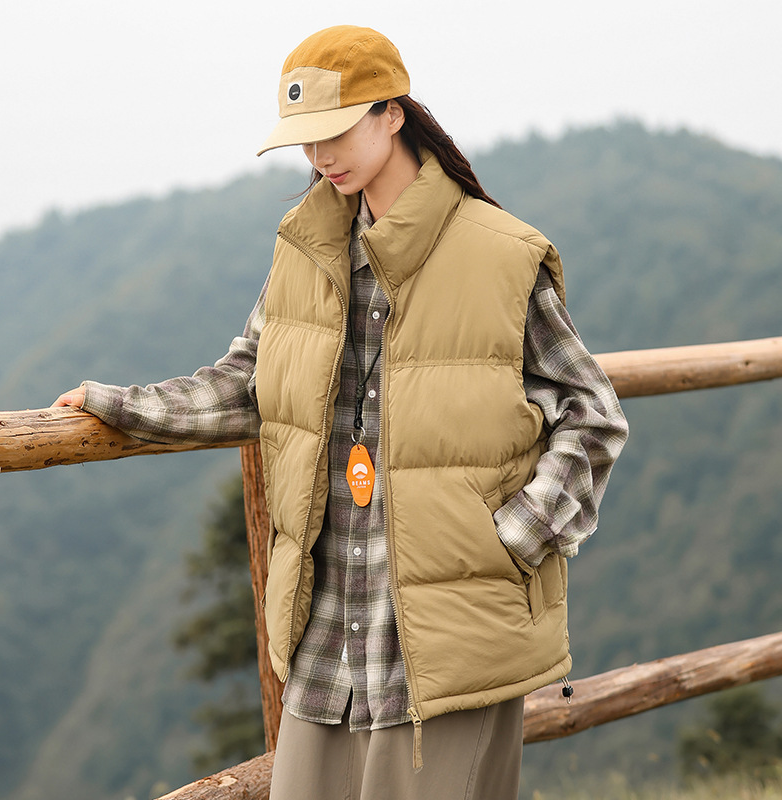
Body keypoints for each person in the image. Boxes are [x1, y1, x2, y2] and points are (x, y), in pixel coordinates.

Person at [54, 25, 628, 800]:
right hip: (327, 628)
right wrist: (120, 407)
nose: (320, 158)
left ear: (393, 114)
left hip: (449, 633)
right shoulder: (304, 250)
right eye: (305, 142)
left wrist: (514, 540)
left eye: (333, 131)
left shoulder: (500, 254)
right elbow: (246, 384)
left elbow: (591, 414)